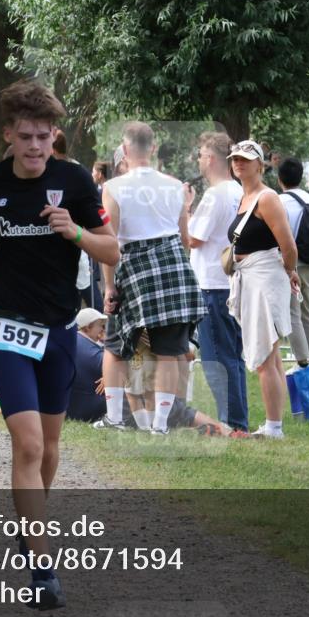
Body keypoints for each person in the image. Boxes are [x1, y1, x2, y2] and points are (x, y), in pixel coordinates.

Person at [0, 79, 119, 609]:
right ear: (9, 135)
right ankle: (42, 564)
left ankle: (30, 528)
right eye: (26, 137)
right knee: (28, 445)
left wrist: (74, 232)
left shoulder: (75, 180)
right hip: (8, 327)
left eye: (44, 137)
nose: (35, 147)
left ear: (55, 136)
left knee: (50, 448)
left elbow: (112, 250)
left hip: (59, 329)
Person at [101, 121, 205, 436]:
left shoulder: (113, 187)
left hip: (133, 266)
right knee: (171, 350)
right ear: (154, 148)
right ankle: (160, 425)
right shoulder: (176, 186)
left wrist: (109, 286)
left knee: (115, 345)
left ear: (125, 148)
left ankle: (115, 418)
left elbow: (110, 240)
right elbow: (186, 240)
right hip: (174, 265)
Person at [226, 140, 300, 439]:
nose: (238, 163)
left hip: (265, 276)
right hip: (251, 275)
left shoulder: (266, 199)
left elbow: (289, 246)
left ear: (260, 164)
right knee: (271, 354)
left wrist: (290, 270)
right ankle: (275, 422)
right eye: (234, 159)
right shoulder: (245, 197)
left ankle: (273, 427)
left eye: (245, 159)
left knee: (265, 357)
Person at [187, 131, 249, 431]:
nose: (199, 159)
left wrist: (184, 209)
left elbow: (193, 239)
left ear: (211, 158)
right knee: (233, 357)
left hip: (212, 284)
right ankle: (237, 420)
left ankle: (231, 422)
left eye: (201, 154)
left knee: (216, 359)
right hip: (232, 282)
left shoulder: (215, 195)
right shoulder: (239, 190)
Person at [277, 156, 309, 371]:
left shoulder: (279, 201)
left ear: (279, 179)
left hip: (289, 263)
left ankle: (302, 361)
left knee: (292, 311)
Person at [66, 307, 108, 421]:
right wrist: (110, 375)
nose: (103, 329)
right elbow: (125, 370)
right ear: (88, 327)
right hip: (88, 412)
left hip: (66, 409)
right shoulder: (92, 353)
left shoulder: (71, 341)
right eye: (100, 325)